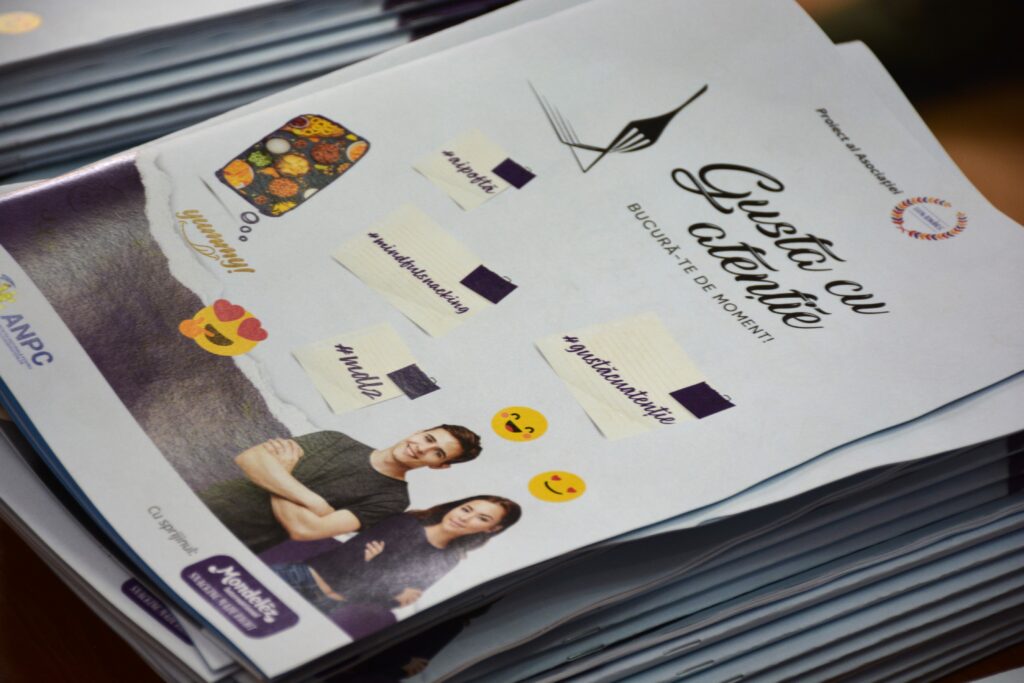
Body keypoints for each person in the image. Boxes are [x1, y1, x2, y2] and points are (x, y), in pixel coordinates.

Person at [198, 426, 482, 553]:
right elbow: (249, 459)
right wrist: (312, 501)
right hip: (203, 505)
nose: (421, 448)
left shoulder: (393, 500)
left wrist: (281, 473)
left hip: (236, 543)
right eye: (428, 438)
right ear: (417, 431)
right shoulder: (334, 440)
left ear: (440, 466)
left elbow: (305, 530)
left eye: (437, 453)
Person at [271, 496, 521, 616]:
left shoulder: (449, 560)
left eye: (482, 518)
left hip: (330, 606)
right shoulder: (405, 523)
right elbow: (346, 563)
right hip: (300, 578)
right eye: (466, 509)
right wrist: (390, 585)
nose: (465, 517)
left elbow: (396, 602)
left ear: (492, 529)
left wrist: (377, 567)